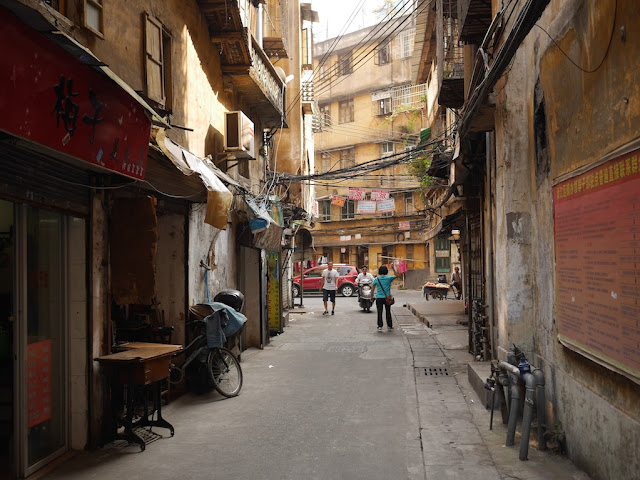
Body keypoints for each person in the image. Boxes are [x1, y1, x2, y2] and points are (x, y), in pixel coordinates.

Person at [372, 265, 395, 331]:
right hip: (387, 298)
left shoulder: (377, 279)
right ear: (386, 271)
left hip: (379, 298)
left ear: (379, 271)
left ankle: (380, 326)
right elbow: (396, 275)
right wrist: (393, 268)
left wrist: (371, 297)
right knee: (388, 311)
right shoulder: (389, 278)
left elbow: (372, 288)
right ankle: (389, 326)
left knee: (379, 312)